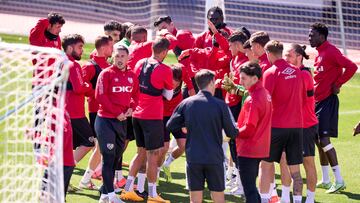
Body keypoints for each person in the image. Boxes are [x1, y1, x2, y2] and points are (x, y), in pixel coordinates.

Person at [167, 69, 239, 203]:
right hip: (214, 158)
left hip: (194, 157)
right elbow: (232, 133)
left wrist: (185, 127)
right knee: (218, 198)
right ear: (211, 83)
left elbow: (170, 126)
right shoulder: (220, 105)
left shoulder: (187, 103)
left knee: (195, 200)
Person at [120, 38, 173, 203]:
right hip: (152, 117)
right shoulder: (165, 69)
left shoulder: (140, 63)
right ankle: (152, 194)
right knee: (153, 156)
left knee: (140, 152)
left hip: (137, 114)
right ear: (164, 52)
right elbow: (169, 95)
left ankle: (128, 190)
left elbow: (135, 85)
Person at [309, 22, 357, 193]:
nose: (309, 37)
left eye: (312, 34)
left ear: (322, 36)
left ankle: (339, 180)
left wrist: (338, 83)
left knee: (324, 140)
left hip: (328, 101)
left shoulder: (331, 51)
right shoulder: (319, 53)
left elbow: (352, 67)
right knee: (316, 140)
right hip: (317, 102)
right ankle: (326, 179)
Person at [261, 40, 305, 203]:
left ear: (268, 53)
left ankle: (265, 200)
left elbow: (265, 101)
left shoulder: (270, 72)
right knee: (295, 171)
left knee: (265, 165)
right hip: (296, 127)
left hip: (276, 127)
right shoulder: (297, 71)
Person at [95, 45, 139, 203]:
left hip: (122, 122)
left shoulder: (132, 76)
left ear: (128, 58)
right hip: (106, 121)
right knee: (108, 157)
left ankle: (105, 194)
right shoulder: (106, 74)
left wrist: (131, 109)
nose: (120, 59)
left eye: (123, 56)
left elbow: (136, 95)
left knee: (115, 158)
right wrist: (116, 112)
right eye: (117, 56)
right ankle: (111, 195)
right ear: (113, 57)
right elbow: (100, 96)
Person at [282, 44, 319, 203]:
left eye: (289, 55)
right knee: (286, 160)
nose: (286, 59)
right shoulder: (292, 74)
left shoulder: (303, 75)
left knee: (308, 162)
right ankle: (286, 197)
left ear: (299, 57)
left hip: (305, 126)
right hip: (292, 125)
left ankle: (310, 199)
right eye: (284, 55)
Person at [79, 35, 113, 190]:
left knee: (100, 148)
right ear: (104, 47)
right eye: (111, 46)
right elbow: (81, 86)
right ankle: (85, 178)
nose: (112, 49)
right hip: (96, 112)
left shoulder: (107, 65)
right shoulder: (90, 66)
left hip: (107, 112)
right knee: (99, 147)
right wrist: (96, 94)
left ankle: (91, 176)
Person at [236, 62, 272, 203]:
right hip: (259, 147)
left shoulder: (253, 99)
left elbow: (250, 128)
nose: (240, 81)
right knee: (251, 188)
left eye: (244, 78)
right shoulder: (265, 93)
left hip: (249, 148)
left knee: (249, 190)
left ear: (255, 78)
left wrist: (233, 132)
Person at [153, 15, 196, 97]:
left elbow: (197, 52)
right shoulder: (169, 39)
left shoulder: (182, 35)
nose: (162, 31)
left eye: (164, 28)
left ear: (172, 25)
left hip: (197, 78)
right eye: (160, 29)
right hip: (189, 78)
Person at [160, 64, 187, 183]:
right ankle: (156, 171)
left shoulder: (181, 91)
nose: (175, 82)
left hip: (176, 119)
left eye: (177, 79)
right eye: (173, 78)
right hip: (162, 118)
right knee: (164, 147)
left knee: (184, 145)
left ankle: (167, 163)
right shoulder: (161, 87)